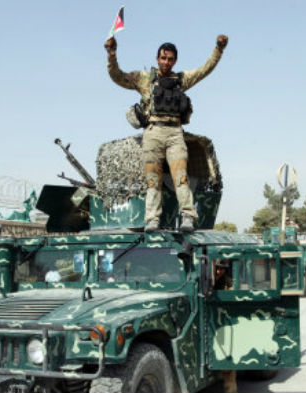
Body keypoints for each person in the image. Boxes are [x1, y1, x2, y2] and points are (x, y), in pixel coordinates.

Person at [104, 34, 228, 232]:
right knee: (153, 180)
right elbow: (117, 76)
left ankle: (188, 216)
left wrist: (218, 49)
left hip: (174, 133)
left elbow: (205, 70)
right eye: (163, 58)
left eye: (170, 59)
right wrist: (111, 53)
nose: (166, 62)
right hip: (153, 132)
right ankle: (152, 219)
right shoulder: (144, 79)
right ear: (157, 59)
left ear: (175, 60)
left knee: (181, 177)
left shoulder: (180, 80)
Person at [213, 260, 237, 393]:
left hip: (224, 322)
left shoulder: (228, 282)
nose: (218, 272)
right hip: (212, 320)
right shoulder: (206, 279)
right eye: (216, 268)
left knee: (228, 365)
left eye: (221, 269)